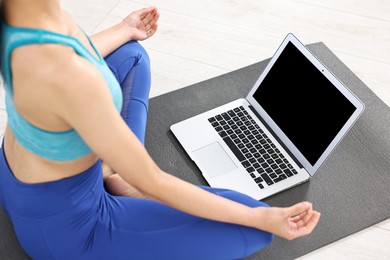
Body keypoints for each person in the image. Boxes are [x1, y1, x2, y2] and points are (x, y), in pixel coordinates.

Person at [0, 0, 320, 259]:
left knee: (132, 54)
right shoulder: (68, 75)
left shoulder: (24, 15)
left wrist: (124, 28)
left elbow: (71, 55)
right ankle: (115, 173)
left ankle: (112, 167)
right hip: (70, 229)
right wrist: (263, 218)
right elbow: (152, 182)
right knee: (252, 225)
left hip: (23, 177)